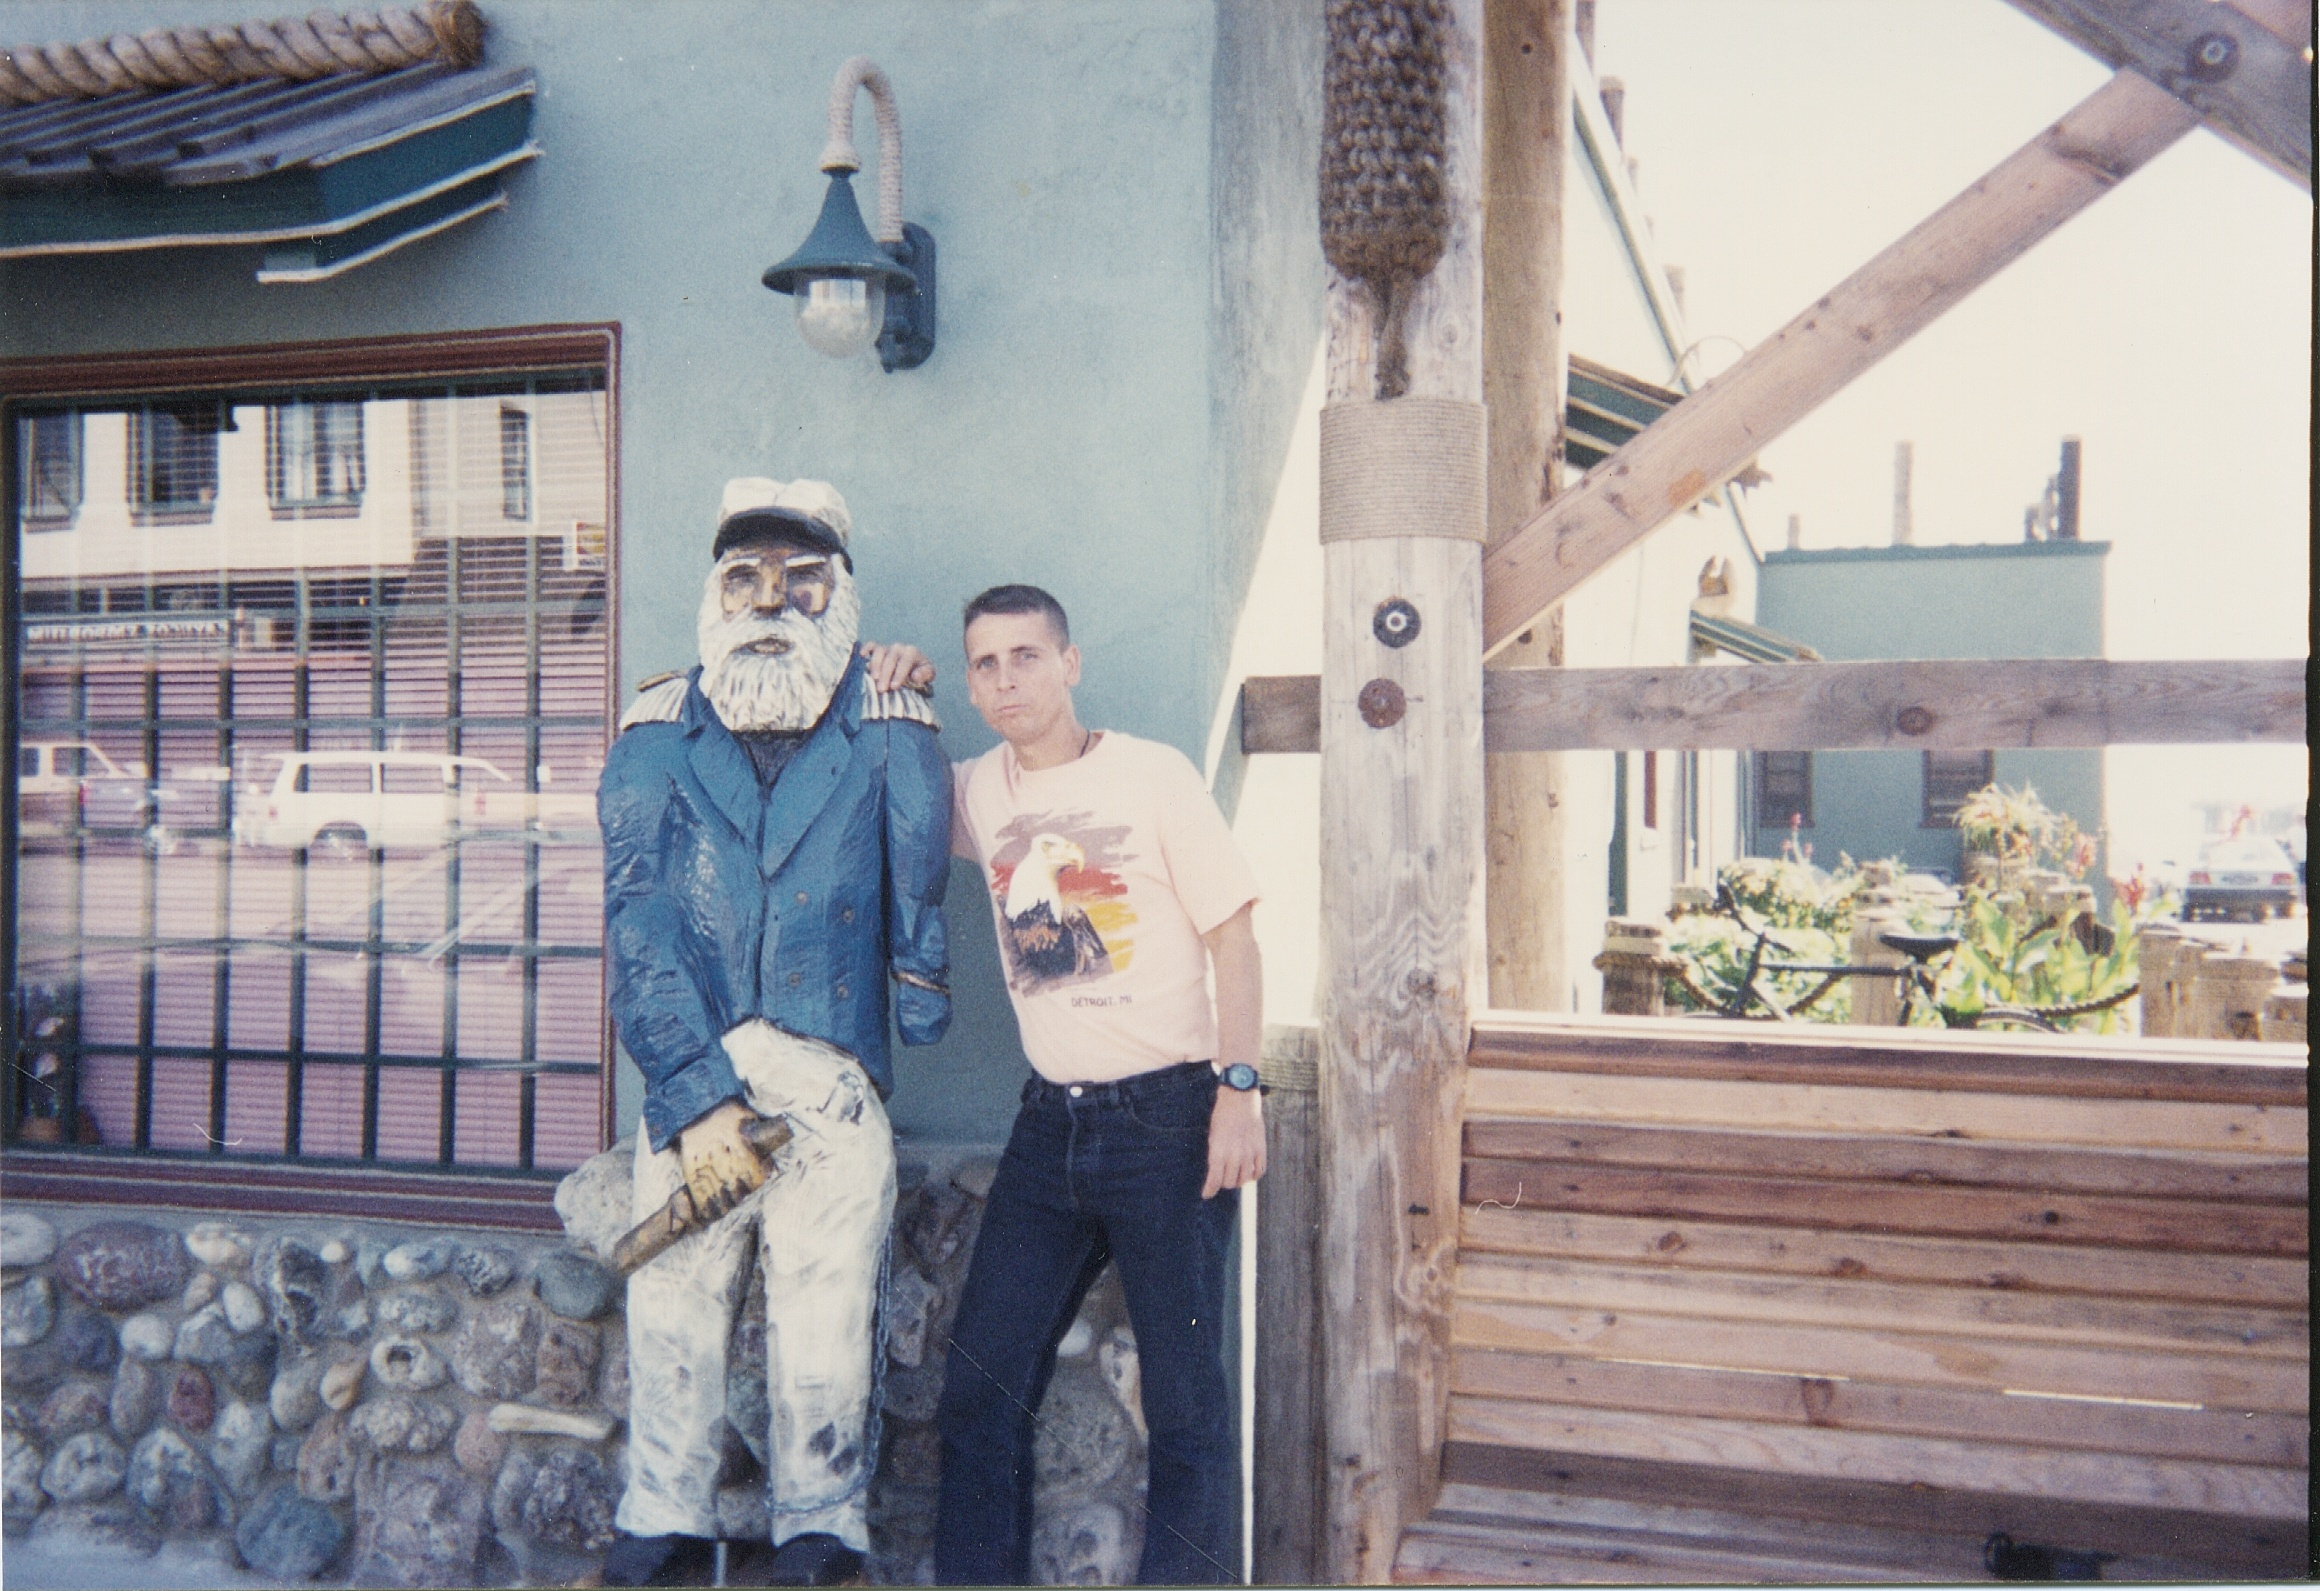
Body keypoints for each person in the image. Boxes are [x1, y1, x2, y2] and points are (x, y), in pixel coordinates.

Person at [597, 477, 952, 1588]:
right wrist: (693, 1092)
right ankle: (663, 1512)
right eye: (743, 577)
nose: (769, 603)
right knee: (672, 1302)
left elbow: (919, 874)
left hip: (829, 1077)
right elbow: (638, 921)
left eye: (801, 581)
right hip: (695, 1075)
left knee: (827, 1309)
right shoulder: (655, 734)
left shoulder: (886, 725)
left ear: (841, 595)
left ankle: (821, 1523)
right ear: (712, 592)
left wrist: (921, 983)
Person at [926, 584, 1266, 1585]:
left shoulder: (1153, 776)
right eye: (984, 663)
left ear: (1069, 664)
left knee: (1186, 1405)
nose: (1006, 680)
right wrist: (888, 679)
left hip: (1170, 1116)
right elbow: (882, 775)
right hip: (1051, 1126)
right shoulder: (974, 790)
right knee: (981, 1386)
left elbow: (1235, 940)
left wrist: (1238, 1091)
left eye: (1026, 656)